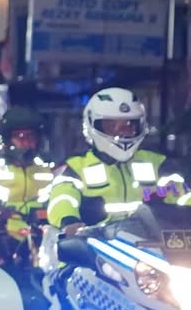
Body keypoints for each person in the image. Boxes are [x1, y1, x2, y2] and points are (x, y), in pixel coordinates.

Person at [46, 88, 184, 232]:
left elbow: (182, 193)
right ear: (92, 125)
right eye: (111, 126)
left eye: (129, 126)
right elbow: (62, 198)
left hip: (151, 239)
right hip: (96, 241)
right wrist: (69, 221)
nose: (122, 133)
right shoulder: (78, 167)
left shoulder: (156, 163)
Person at [0, 107, 55, 215]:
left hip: (42, 222)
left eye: (30, 136)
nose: (26, 142)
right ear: (7, 140)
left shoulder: (50, 167)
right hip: (3, 223)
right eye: (19, 136)